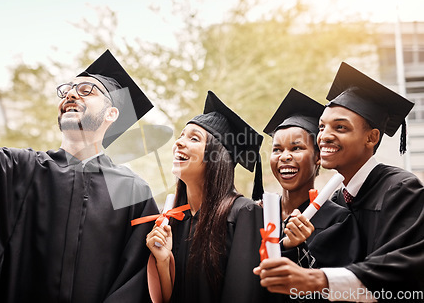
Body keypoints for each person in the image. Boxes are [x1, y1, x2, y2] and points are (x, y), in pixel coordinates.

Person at [0, 7, 159, 303]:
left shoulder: (133, 191)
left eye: (87, 89)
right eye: (67, 90)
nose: (71, 94)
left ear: (112, 113)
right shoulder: (23, 169)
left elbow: (138, 280)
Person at [256, 63, 424, 302]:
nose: (324, 136)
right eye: (322, 127)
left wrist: (317, 280)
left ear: (371, 137)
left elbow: (404, 269)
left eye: (340, 127)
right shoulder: (337, 200)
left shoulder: (400, 188)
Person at [144, 91, 279, 303]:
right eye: (181, 135)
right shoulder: (175, 219)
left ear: (216, 157)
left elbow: (242, 294)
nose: (179, 143)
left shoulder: (243, 214)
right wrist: (163, 261)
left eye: (194, 138)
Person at [263, 88, 360, 270]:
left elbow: (331, 288)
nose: (284, 156)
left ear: (318, 157)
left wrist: (297, 249)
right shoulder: (260, 212)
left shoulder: (337, 220)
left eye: (296, 148)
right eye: (277, 149)